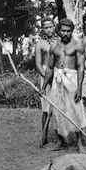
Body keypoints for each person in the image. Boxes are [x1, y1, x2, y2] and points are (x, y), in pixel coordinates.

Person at [40, 18, 86, 153]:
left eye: (68, 31)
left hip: (72, 79)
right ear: (59, 31)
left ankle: (79, 142)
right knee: (57, 110)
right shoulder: (54, 46)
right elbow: (49, 68)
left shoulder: (77, 46)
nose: (66, 33)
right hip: (57, 80)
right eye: (63, 31)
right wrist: (43, 87)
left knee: (75, 110)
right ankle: (60, 141)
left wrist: (79, 88)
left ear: (72, 31)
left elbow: (80, 68)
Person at [35, 17, 57, 147]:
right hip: (45, 75)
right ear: (42, 29)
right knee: (46, 108)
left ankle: (60, 136)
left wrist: (56, 76)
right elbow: (38, 64)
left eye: (50, 26)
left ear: (54, 27)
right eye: (46, 27)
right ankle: (44, 134)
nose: (49, 29)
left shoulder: (60, 41)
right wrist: (48, 79)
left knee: (59, 107)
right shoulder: (40, 44)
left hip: (58, 74)